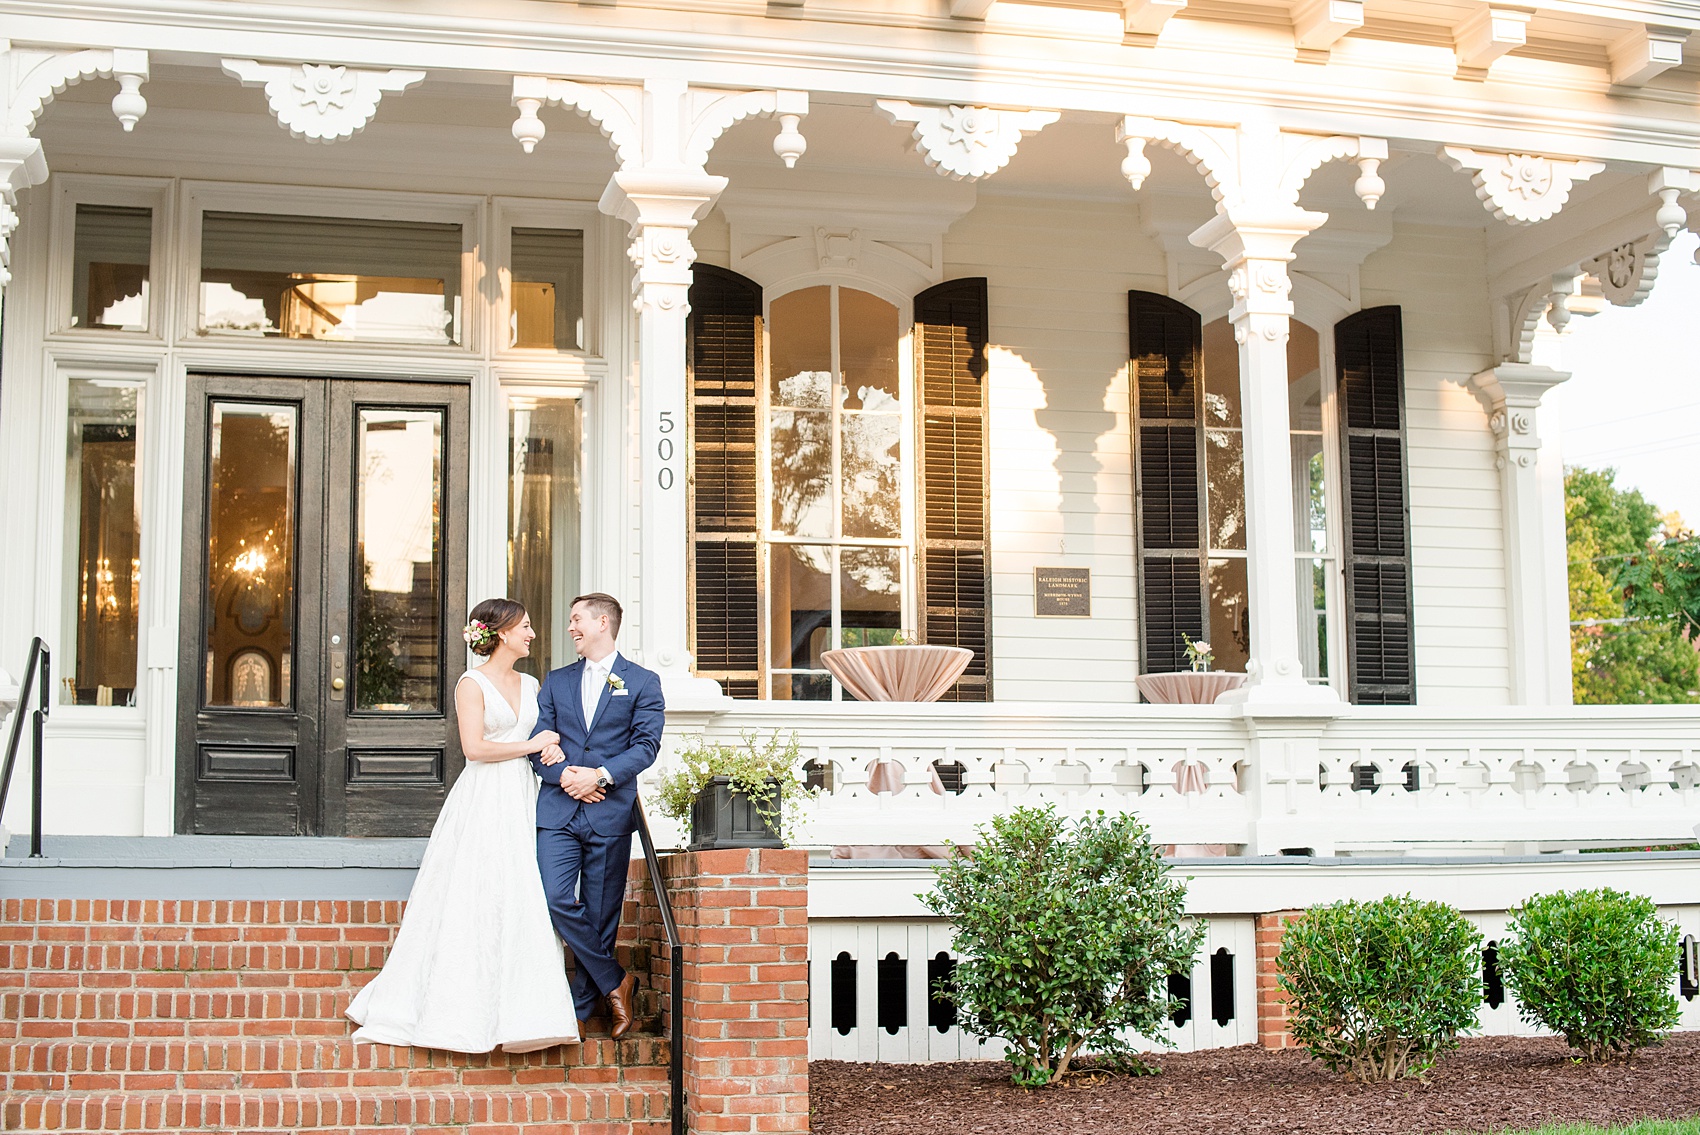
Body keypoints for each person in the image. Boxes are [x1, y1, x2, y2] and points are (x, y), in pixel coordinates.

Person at [346, 598, 579, 1053]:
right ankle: (456, 1010)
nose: (532, 634)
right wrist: (532, 743)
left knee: (521, 890)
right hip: (484, 796)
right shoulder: (471, 684)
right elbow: (474, 748)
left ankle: (526, 1012)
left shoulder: (532, 684)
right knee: (476, 889)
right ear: (502, 632)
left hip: (523, 795)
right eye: (526, 626)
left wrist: (549, 750)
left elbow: (545, 738)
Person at [531, 592, 664, 1038]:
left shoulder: (642, 682)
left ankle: (583, 1008)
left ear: (603, 622)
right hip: (560, 812)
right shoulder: (556, 680)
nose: (570, 628)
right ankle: (617, 980)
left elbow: (646, 746)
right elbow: (539, 743)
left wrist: (600, 777)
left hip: (609, 812)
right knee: (555, 899)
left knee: (603, 913)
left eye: (576, 620)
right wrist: (568, 775)